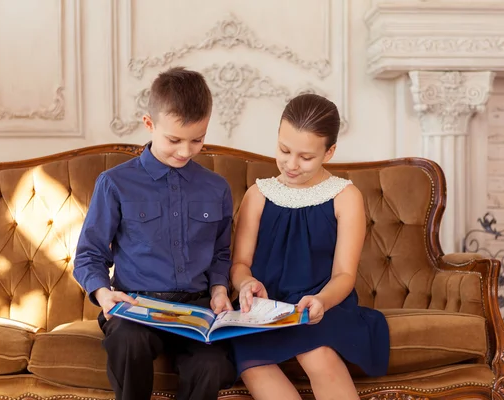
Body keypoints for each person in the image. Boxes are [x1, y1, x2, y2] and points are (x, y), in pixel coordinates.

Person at [73, 66, 236, 400]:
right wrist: (104, 295)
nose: (185, 151)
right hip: (137, 306)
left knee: (213, 366)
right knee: (127, 341)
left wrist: (220, 290)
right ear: (149, 124)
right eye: (174, 139)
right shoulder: (115, 183)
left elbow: (221, 253)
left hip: (197, 310)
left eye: (198, 140)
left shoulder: (216, 188)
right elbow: (89, 254)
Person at [229, 94, 390, 400]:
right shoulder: (258, 195)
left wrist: (321, 301)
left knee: (316, 351)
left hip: (323, 306)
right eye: (284, 150)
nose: (291, 164)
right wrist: (246, 283)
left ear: (329, 152)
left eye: (305, 157)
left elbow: (344, 274)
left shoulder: (345, 196)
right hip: (267, 309)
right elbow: (240, 265)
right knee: (252, 361)